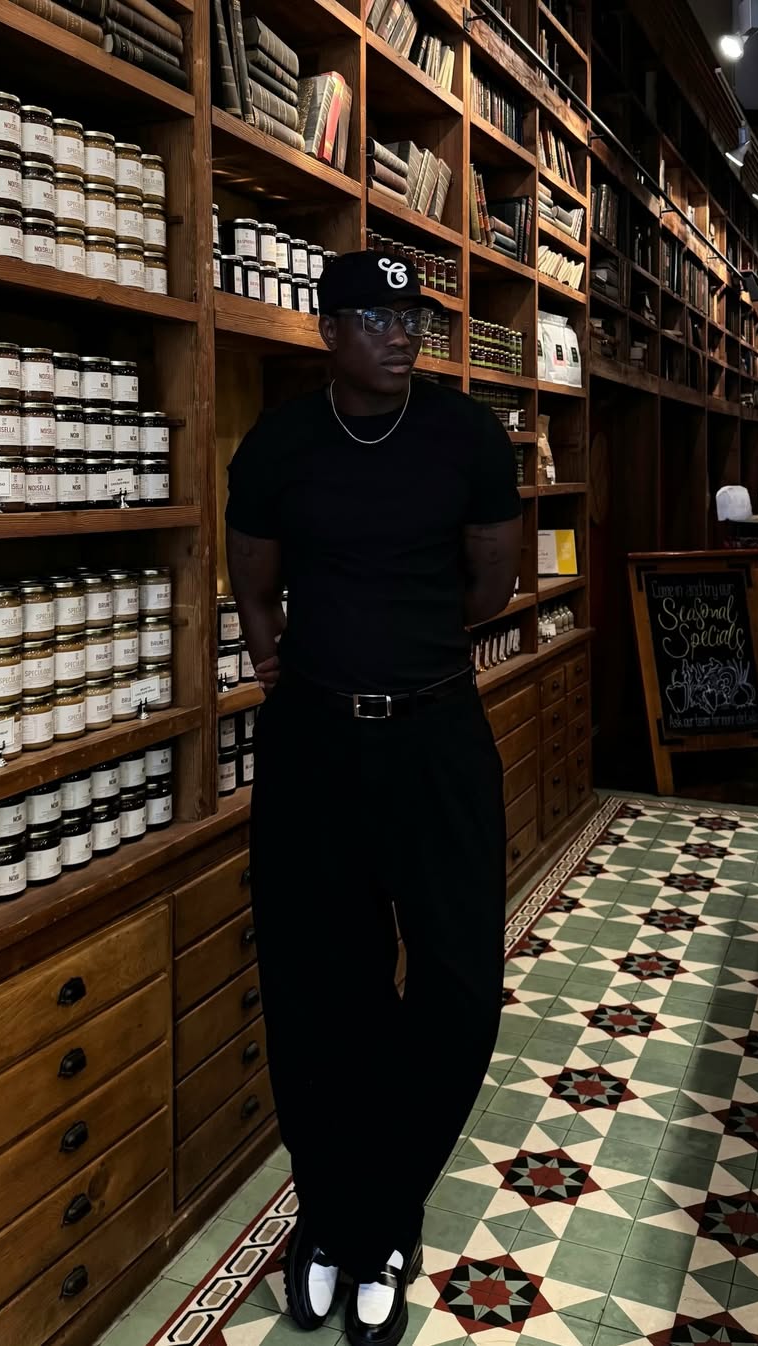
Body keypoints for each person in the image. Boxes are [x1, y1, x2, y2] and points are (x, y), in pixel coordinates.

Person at [225, 251, 522, 1346]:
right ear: (327, 331)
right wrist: (277, 657)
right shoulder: (279, 444)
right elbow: (253, 576)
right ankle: (330, 1216)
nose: (403, 333)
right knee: (319, 988)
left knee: (459, 986)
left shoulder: (467, 436)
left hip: (437, 735)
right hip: (313, 745)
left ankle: (384, 1212)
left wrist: (405, 649)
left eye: (413, 315)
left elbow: (489, 584)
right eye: (377, 316)